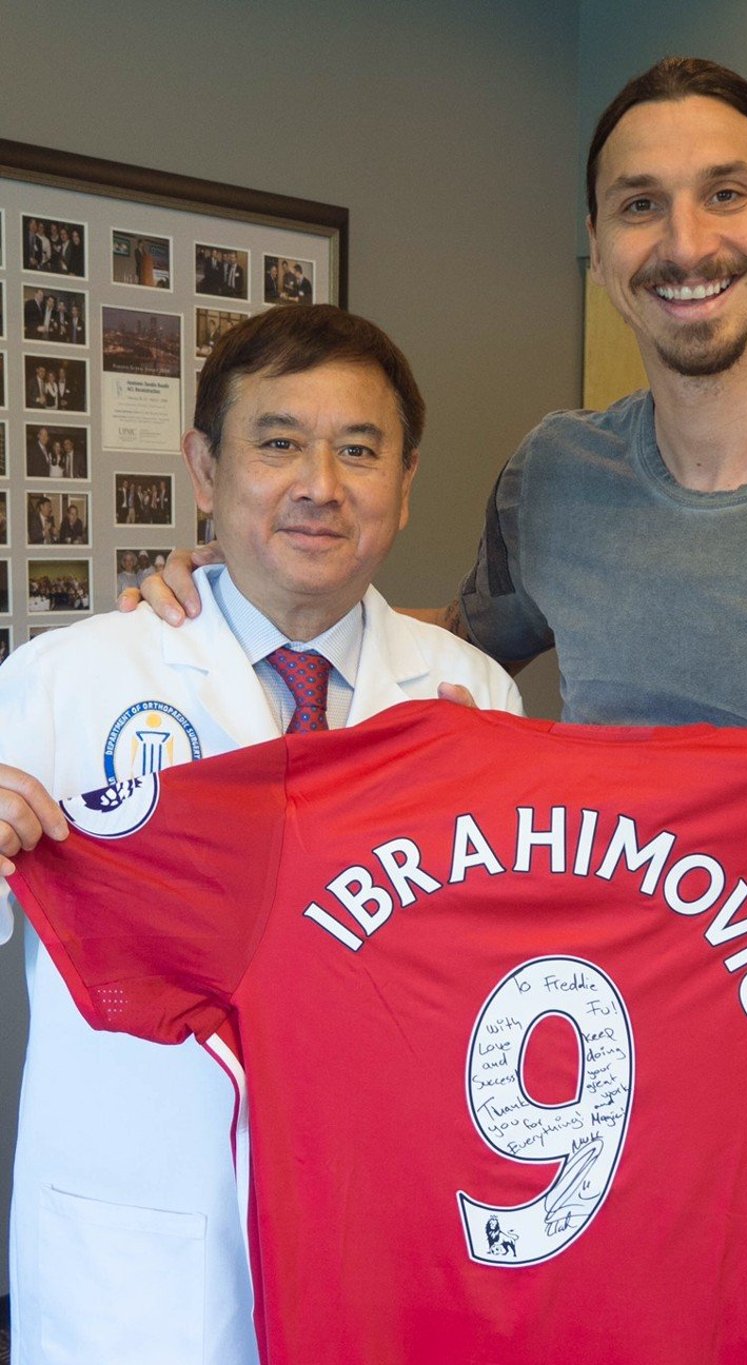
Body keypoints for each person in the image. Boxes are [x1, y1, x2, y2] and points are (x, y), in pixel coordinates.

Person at [138, 58, 747, 1365]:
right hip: (576, 1090)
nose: (684, 243)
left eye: (725, 194)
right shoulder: (557, 475)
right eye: (638, 206)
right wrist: (240, 592)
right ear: (599, 246)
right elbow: (438, 664)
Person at [0, 303, 522, 1365]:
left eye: (359, 450)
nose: (319, 485)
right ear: (203, 468)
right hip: (142, 1264)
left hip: (390, 1234)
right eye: (277, 443)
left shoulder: (474, 700)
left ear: (406, 483)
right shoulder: (71, 680)